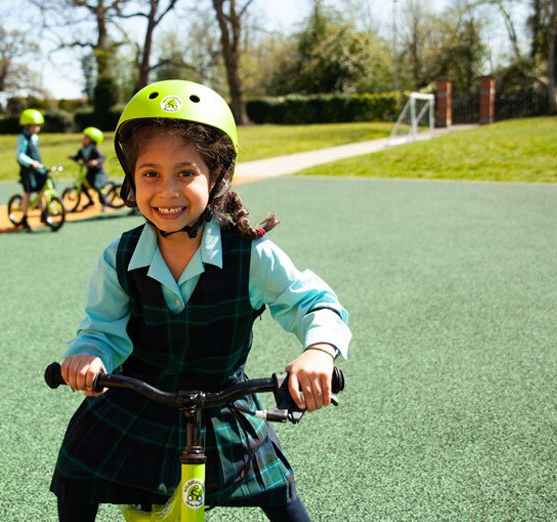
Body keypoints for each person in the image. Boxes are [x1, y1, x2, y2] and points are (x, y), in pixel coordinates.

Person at [50, 80, 352, 521]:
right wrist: (87, 356)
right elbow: (101, 328)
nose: (167, 191)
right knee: (78, 474)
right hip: (138, 400)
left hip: (223, 400)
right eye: (150, 173)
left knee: (277, 492)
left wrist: (319, 351)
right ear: (132, 180)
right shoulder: (120, 257)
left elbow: (314, 303)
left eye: (186, 173)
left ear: (217, 177)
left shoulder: (250, 254)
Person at [16, 108, 48, 231]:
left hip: (37, 168)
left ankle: (44, 214)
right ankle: (24, 218)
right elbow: (20, 155)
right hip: (28, 170)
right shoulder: (23, 138)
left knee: (42, 192)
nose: (38, 128)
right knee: (28, 193)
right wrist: (30, 163)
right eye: (36, 125)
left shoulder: (35, 137)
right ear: (28, 126)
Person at [68, 126, 108, 210]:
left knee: (97, 186)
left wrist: (95, 162)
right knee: (83, 187)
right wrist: (72, 157)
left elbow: (102, 158)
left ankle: (104, 203)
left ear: (92, 140)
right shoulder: (82, 150)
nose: (83, 139)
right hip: (89, 172)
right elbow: (78, 157)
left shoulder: (94, 150)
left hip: (98, 172)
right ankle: (91, 201)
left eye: (86, 137)